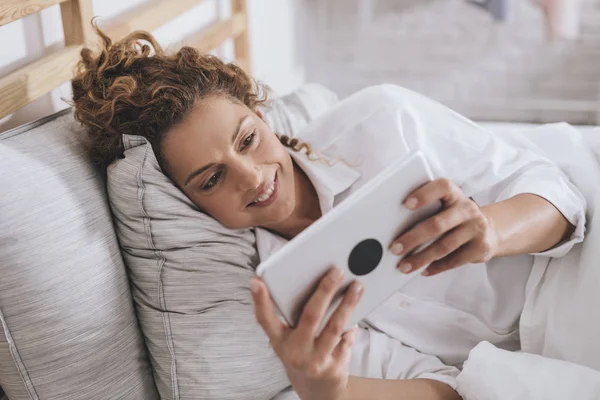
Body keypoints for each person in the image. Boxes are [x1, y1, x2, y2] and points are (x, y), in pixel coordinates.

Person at [71, 25, 586, 400]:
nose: (250, 177)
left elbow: (558, 194)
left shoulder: (380, 121)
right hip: (539, 366)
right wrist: (329, 392)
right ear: (189, 203)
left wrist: (494, 228)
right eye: (211, 178)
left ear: (260, 115)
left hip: (575, 266)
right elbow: (452, 391)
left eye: (248, 140)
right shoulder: (289, 295)